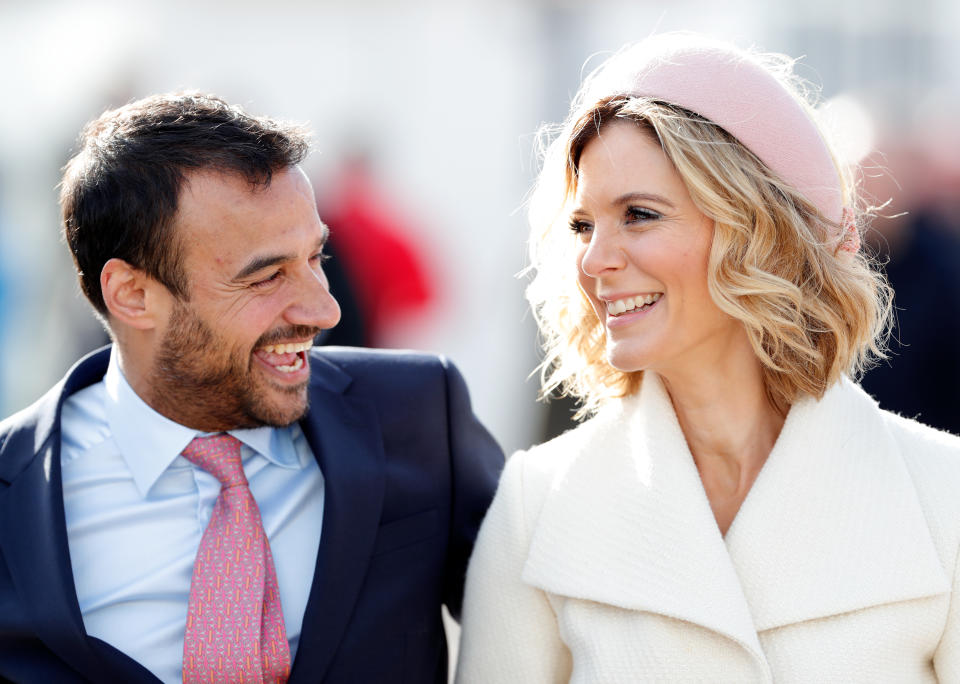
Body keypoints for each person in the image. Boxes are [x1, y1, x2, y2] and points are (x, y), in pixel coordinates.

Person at [455, 33, 960, 682]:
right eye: (582, 225)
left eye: (639, 214)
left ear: (758, 234)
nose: (594, 260)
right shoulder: (538, 505)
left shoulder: (942, 495)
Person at [0, 92, 503, 684]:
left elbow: (565, 603)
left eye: (317, 258)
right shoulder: (13, 491)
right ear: (132, 295)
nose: (325, 309)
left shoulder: (419, 418)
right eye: (267, 276)